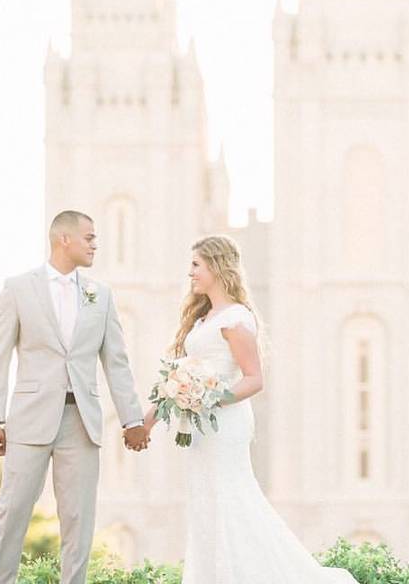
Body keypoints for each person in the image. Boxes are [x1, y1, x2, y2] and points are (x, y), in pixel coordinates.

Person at [142, 234, 359, 583]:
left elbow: (254, 379)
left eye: (196, 265)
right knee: (206, 505)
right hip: (201, 429)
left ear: (216, 265)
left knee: (232, 501)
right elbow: (180, 376)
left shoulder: (236, 319)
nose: (190, 273)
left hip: (223, 425)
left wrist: (208, 398)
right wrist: (149, 420)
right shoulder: (205, 317)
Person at [0, 210, 149, 584]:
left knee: (78, 520)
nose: (95, 244)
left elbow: (117, 363)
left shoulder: (100, 295)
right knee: (13, 512)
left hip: (82, 421)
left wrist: (132, 419)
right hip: (28, 419)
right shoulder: (18, 288)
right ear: (64, 240)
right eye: (89, 237)